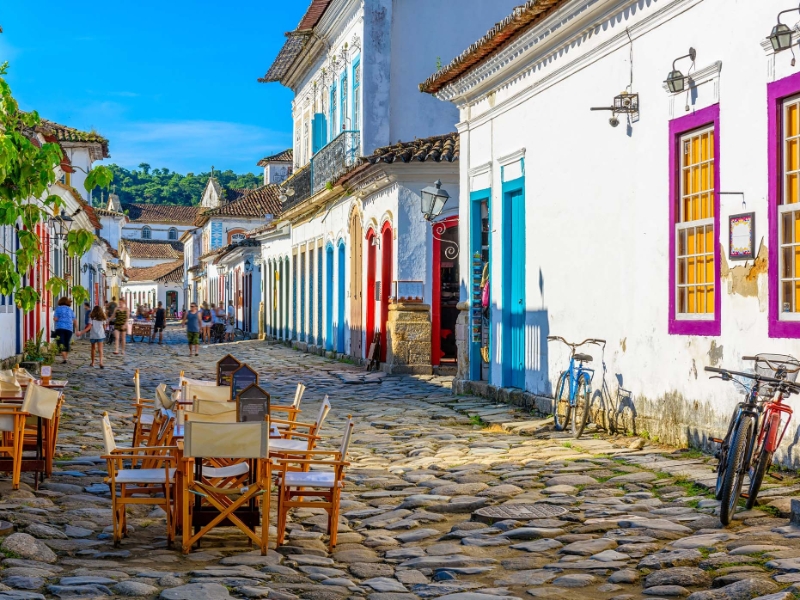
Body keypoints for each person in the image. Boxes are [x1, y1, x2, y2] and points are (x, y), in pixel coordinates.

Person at [53, 297, 77, 364]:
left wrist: (56, 319)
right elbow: (74, 320)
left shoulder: (58, 309)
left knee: (61, 343)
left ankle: (65, 358)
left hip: (60, 328)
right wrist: (77, 329)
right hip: (69, 329)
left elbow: (55, 319)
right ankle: (65, 358)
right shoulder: (70, 310)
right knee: (67, 342)